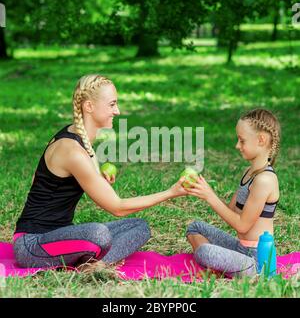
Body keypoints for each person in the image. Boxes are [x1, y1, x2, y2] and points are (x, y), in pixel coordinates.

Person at [13, 74, 188, 269]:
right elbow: (117, 207)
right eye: (112, 104)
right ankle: (94, 262)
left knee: (139, 226)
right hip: (32, 246)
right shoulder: (72, 151)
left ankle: (94, 265)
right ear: (89, 106)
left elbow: (39, 180)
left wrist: (98, 179)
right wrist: (171, 192)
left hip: (61, 235)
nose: (118, 111)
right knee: (99, 234)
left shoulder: (79, 139)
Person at [185, 108, 281, 277]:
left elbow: (242, 225)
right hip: (240, 246)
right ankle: (218, 265)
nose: (237, 146)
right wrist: (205, 191)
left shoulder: (265, 180)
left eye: (242, 140)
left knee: (206, 252)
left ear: (261, 140)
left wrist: (210, 196)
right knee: (195, 227)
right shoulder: (249, 172)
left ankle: (216, 265)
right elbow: (231, 213)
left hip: (257, 260)